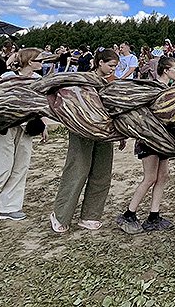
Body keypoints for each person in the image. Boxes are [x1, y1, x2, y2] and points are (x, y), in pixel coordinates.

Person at [50, 49, 124, 233]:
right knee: (77, 170)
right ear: (99, 62)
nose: (113, 70)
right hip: (82, 131)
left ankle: (91, 215)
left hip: (105, 132)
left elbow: (117, 109)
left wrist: (121, 134)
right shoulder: (82, 80)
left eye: (115, 66)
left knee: (101, 173)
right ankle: (61, 215)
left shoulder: (113, 82)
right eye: (110, 65)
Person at [0, 47, 47, 221]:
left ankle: (9, 207)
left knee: (20, 167)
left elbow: (39, 106)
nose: (43, 63)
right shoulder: (7, 78)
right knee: (3, 167)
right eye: (41, 60)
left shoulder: (39, 80)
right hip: (5, 127)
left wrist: (42, 125)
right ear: (30, 61)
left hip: (27, 129)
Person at [116, 56, 175, 234]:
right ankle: (129, 214)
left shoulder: (167, 89)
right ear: (165, 70)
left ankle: (154, 215)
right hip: (150, 139)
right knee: (150, 177)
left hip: (163, 140)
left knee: (163, 175)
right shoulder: (152, 88)